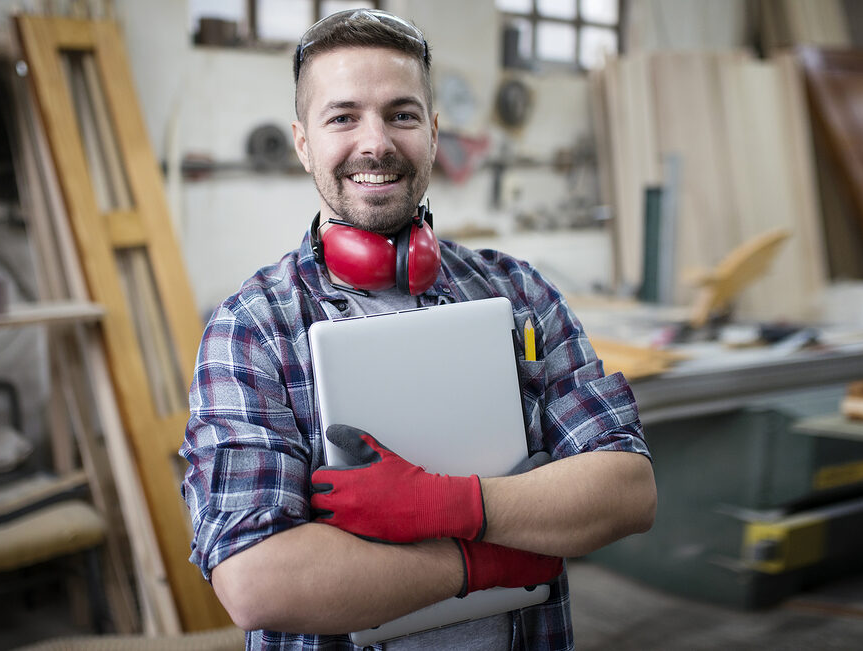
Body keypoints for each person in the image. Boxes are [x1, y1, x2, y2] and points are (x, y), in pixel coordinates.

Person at [179, 9, 656, 650]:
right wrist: (484, 563)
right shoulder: (253, 328)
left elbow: (626, 490)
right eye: (343, 116)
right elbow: (257, 582)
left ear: (432, 132)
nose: (375, 143)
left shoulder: (519, 293)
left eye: (401, 115)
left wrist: (451, 505)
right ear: (302, 143)